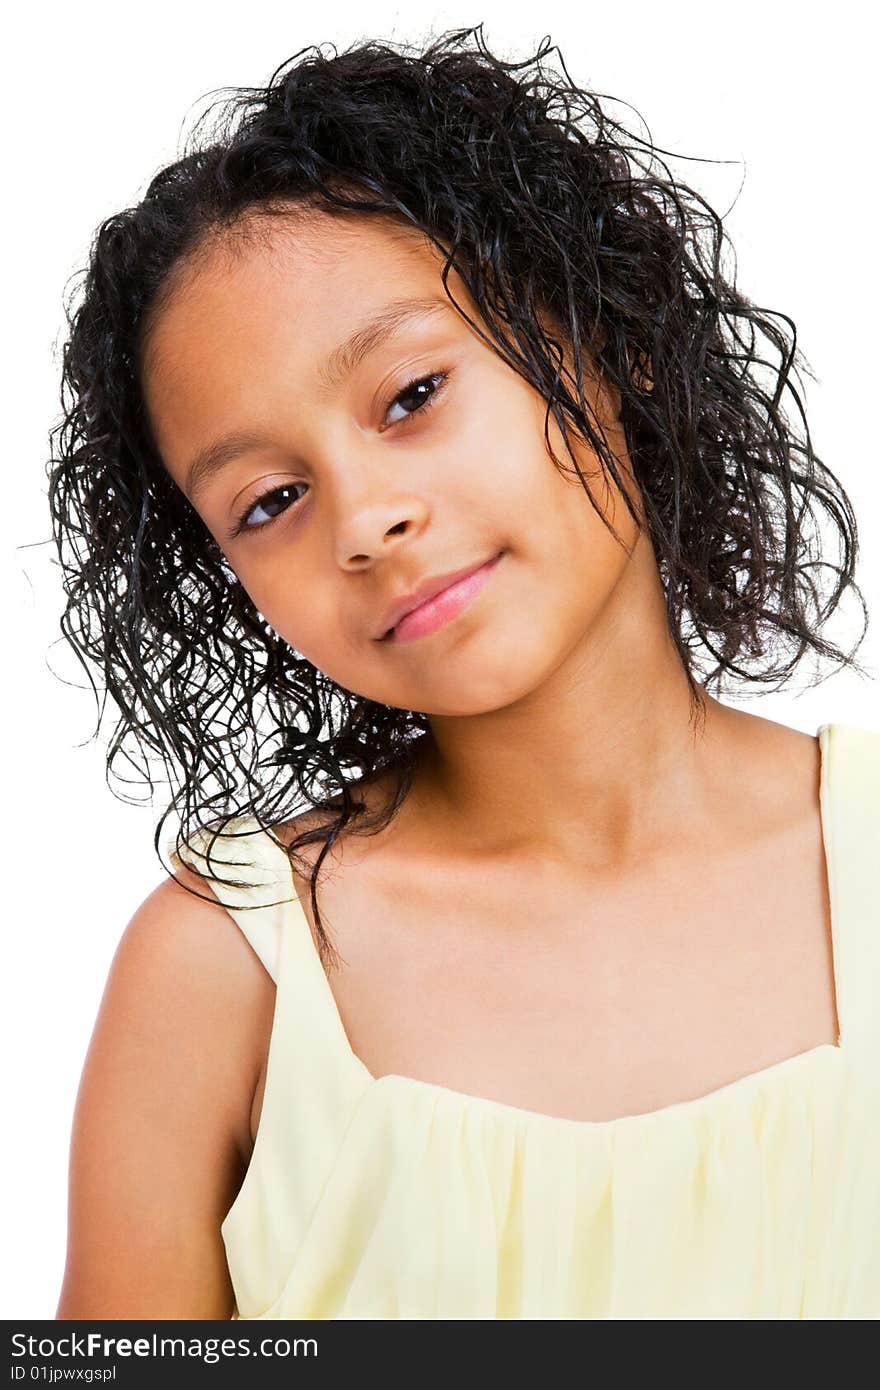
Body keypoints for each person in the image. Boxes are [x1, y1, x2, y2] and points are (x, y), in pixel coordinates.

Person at [50, 26, 879, 1320]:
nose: (366, 518)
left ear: (617, 342)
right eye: (270, 499)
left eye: (412, 393)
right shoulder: (223, 973)